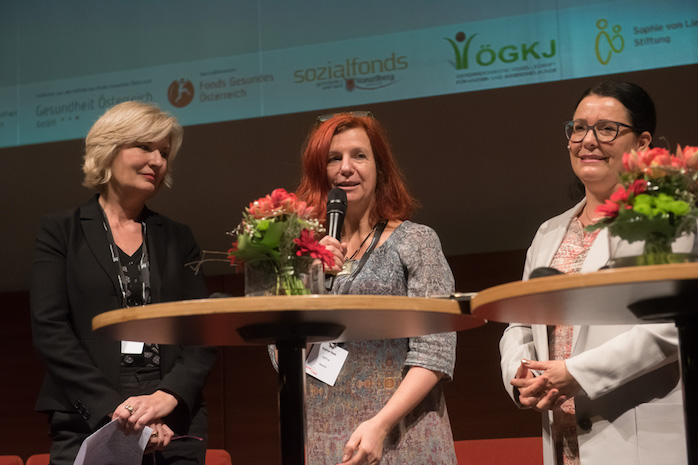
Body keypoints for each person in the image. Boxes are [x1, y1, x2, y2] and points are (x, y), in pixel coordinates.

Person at [499, 81, 689, 465]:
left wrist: (577, 373)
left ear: (642, 143)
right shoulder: (549, 232)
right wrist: (520, 373)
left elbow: (673, 324)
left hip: (635, 435)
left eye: (607, 129)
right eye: (579, 128)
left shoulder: (669, 217)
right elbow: (520, 324)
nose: (588, 140)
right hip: (563, 440)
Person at [30, 101, 217, 465]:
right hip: (88, 416)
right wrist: (116, 411)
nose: (158, 161)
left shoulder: (179, 238)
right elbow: (50, 331)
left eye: (164, 153)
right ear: (108, 150)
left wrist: (168, 397)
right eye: (145, 147)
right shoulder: (60, 232)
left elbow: (202, 330)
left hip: (172, 419)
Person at [290, 112, 458, 464]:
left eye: (358, 156)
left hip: (403, 435)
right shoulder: (303, 255)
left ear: (379, 167)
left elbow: (436, 351)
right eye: (333, 158)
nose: (345, 168)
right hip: (326, 437)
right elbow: (283, 356)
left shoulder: (416, 241)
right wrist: (312, 283)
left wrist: (380, 425)